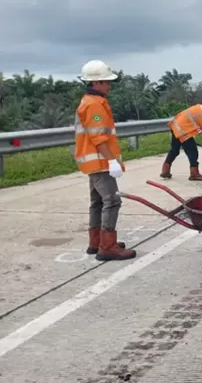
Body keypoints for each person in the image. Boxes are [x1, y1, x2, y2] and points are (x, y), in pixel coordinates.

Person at [75, 60, 136, 261]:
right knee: (112, 201)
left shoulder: (90, 101)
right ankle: (107, 246)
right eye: (107, 82)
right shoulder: (94, 105)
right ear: (97, 82)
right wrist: (112, 161)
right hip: (100, 161)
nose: (109, 85)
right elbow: (99, 137)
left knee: (98, 202)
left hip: (93, 162)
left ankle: (96, 242)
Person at [160, 98, 202, 181]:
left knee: (174, 150)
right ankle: (194, 174)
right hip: (183, 131)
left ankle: (165, 170)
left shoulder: (201, 108)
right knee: (193, 151)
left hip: (175, 126)